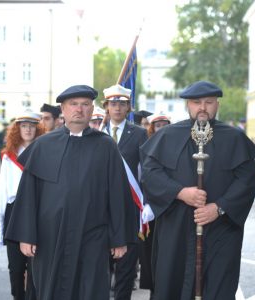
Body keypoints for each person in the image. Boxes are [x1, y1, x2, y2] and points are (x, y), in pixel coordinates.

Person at [5, 85, 137, 300]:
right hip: (50, 238)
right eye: (73, 104)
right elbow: (29, 195)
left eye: (85, 104)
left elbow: (118, 193)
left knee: (90, 290)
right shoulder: (43, 146)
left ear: (92, 108)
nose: (79, 109)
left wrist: (119, 238)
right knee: (51, 290)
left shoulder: (106, 146)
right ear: (63, 110)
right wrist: (26, 236)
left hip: (92, 236)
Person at [140, 81, 255, 300]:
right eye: (197, 102)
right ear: (188, 105)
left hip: (221, 230)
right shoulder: (167, 135)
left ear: (217, 104)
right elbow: (150, 174)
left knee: (218, 287)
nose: (203, 107)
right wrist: (180, 192)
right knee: (172, 285)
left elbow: (247, 180)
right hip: (175, 228)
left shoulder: (233, 137)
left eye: (209, 102)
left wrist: (219, 207)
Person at [0, 110, 45, 300]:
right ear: (17, 129)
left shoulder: (44, 153)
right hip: (14, 211)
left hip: (37, 212)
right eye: (24, 126)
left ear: (37, 129)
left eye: (32, 126)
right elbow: (3, 191)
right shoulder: (9, 156)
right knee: (15, 268)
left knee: (34, 268)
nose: (28, 129)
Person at [102, 84, 148, 300]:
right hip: (101, 210)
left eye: (122, 104)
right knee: (101, 269)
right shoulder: (96, 134)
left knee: (126, 269)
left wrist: (147, 202)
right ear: (106, 107)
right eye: (113, 103)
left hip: (130, 208)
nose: (117, 108)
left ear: (128, 107)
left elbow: (147, 171)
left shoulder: (139, 134)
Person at [139, 112, 171, 300]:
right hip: (150, 207)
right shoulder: (146, 147)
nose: (161, 128)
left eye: (164, 124)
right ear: (152, 128)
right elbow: (145, 176)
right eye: (157, 125)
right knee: (150, 253)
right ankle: (153, 291)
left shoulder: (176, 146)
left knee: (167, 252)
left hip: (169, 207)